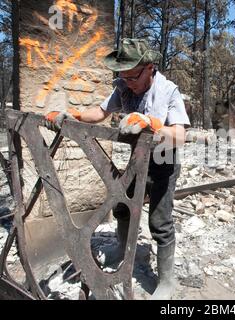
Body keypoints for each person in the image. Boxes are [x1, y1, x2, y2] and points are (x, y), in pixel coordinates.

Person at [45, 38, 190, 300]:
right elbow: (100, 113)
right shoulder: (124, 86)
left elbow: (180, 135)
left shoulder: (168, 90)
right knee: (121, 207)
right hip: (138, 161)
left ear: (150, 68)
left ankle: (167, 281)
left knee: (160, 222)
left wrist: (151, 124)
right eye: (123, 76)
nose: (128, 82)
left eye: (133, 76)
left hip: (164, 164)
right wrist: (72, 115)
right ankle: (124, 253)